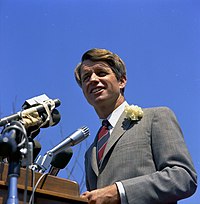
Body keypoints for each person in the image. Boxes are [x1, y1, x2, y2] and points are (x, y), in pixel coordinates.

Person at [74, 48, 197, 204]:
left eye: (101, 73)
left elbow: (183, 177)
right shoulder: (90, 152)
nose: (92, 79)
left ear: (122, 81)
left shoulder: (155, 117)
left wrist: (120, 191)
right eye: (86, 77)